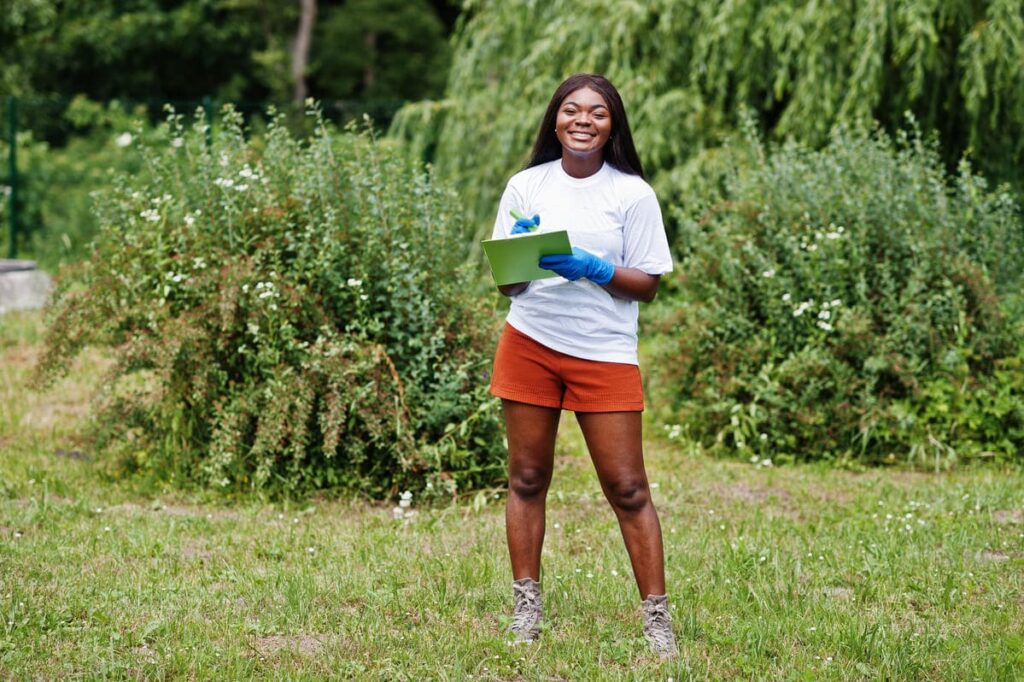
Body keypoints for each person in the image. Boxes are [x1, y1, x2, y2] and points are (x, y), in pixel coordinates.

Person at [488, 73, 677, 657]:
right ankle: (526, 609)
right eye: (572, 109)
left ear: (612, 124)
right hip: (531, 342)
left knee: (628, 487)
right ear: (556, 118)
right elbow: (509, 285)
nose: (583, 120)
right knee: (526, 478)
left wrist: (593, 268)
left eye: (597, 112)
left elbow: (647, 285)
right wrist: (521, 253)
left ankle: (657, 619)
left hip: (603, 352)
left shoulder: (632, 194)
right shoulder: (526, 186)